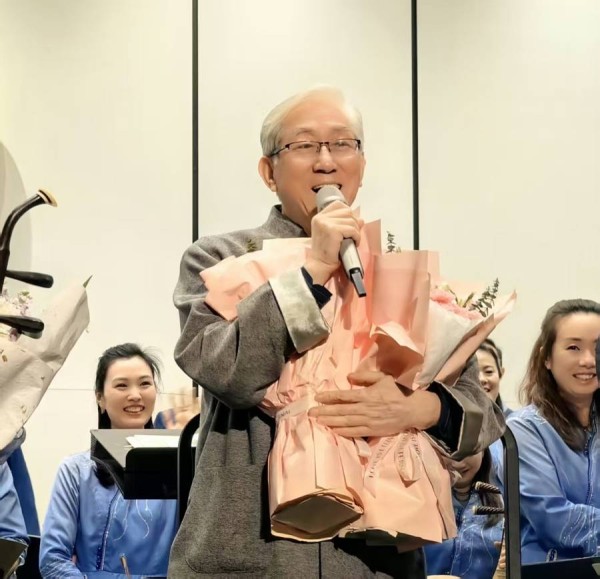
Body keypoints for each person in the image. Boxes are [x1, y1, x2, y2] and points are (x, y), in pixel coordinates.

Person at [169, 86, 505, 578]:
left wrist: (419, 408)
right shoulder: (218, 259)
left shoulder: (399, 270)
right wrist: (314, 268)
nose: (326, 161)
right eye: (305, 145)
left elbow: (484, 415)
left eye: (343, 144)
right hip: (251, 556)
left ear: (361, 166)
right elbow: (229, 373)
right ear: (268, 172)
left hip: (375, 560)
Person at [39, 343, 178, 578]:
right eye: (122, 385)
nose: (135, 395)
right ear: (100, 398)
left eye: (145, 383)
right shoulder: (76, 471)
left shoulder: (181, 468)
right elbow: (52, 562)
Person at [503, 299, 600, 563]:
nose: (589, 360)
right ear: (546, 357)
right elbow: (553, 517)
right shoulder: (523, 429)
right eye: (573, 347)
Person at [424, 449, 503, 579]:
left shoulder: (508, 503)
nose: (458, 463)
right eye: (448, 451)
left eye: (467, 451)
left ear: (483, 450)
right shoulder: (413, 501)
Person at [477, 339, 512, 417]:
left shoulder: (514, 422)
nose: (481, 379)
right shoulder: (451, 420)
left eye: (488, 371)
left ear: (501, 373)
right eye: (473, 372)